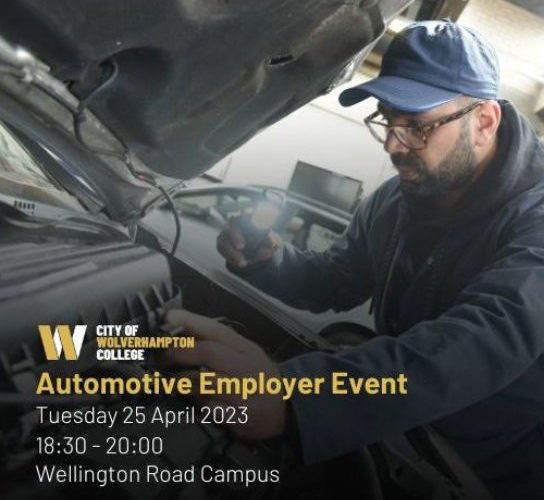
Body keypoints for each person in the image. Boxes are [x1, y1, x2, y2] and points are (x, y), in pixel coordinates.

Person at [164, 20, 544, 499]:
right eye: (387, 120)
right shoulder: (397, 199)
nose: (392, 145)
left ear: (484, 121)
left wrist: (298, 397)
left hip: (487, 472)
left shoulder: (536, 218)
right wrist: (271, 261)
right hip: (389, 429)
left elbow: (483, 339)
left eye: (416, 126)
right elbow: (338, 279)